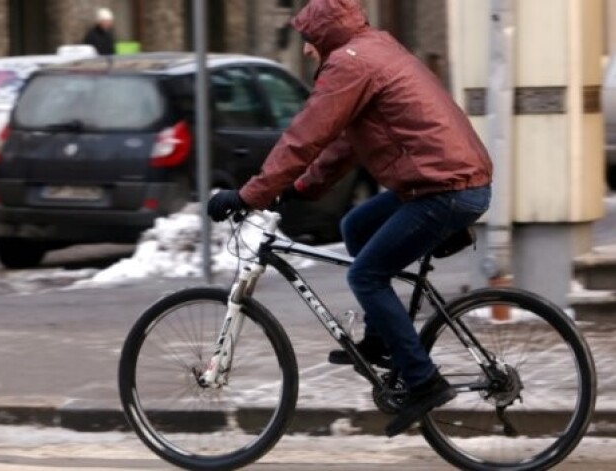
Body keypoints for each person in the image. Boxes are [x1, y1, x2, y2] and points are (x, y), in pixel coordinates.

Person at [207, 0, 493, 437]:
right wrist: (301, 187)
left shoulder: (350, 63)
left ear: (325, 37)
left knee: (366, 277)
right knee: (355, 227)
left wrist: (251, 194)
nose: (306, 51)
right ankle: (383, 340)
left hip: (444, 189)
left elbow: (305, 137)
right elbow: (347, 143)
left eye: (309, 41)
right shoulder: (374, 47)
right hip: (444, 181)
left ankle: (424, 382)